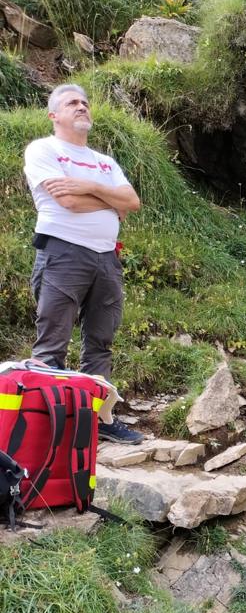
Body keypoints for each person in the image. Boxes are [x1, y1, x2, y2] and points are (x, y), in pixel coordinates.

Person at [23, 84, 143, 444]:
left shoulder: (104, 162)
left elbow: (132, 202)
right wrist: (111, 202)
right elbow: (67, 204)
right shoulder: (43, 149)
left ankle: (97, 421)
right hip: (63, 252)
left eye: (85, 103)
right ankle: (44, 425)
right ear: (54, 115)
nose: (81, 107)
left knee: (101, 340)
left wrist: (88, 186)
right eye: (72, 103)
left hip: (107, 258)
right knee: (52, 342)